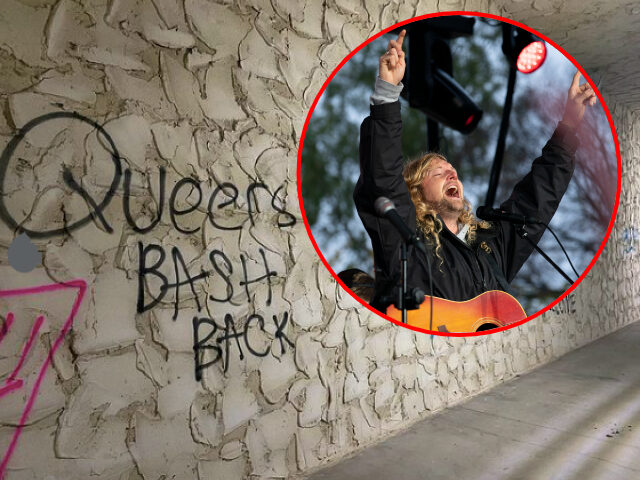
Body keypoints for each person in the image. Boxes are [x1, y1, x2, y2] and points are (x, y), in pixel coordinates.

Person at [354, 29, 597, 315]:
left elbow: (538, 197)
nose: (452, 174)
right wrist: (386, 95)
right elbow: (383, 178)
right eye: (438, 173)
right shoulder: (408, 244)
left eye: (452, 170)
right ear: (415, 193)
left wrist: (568, 128)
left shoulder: (490, 246)